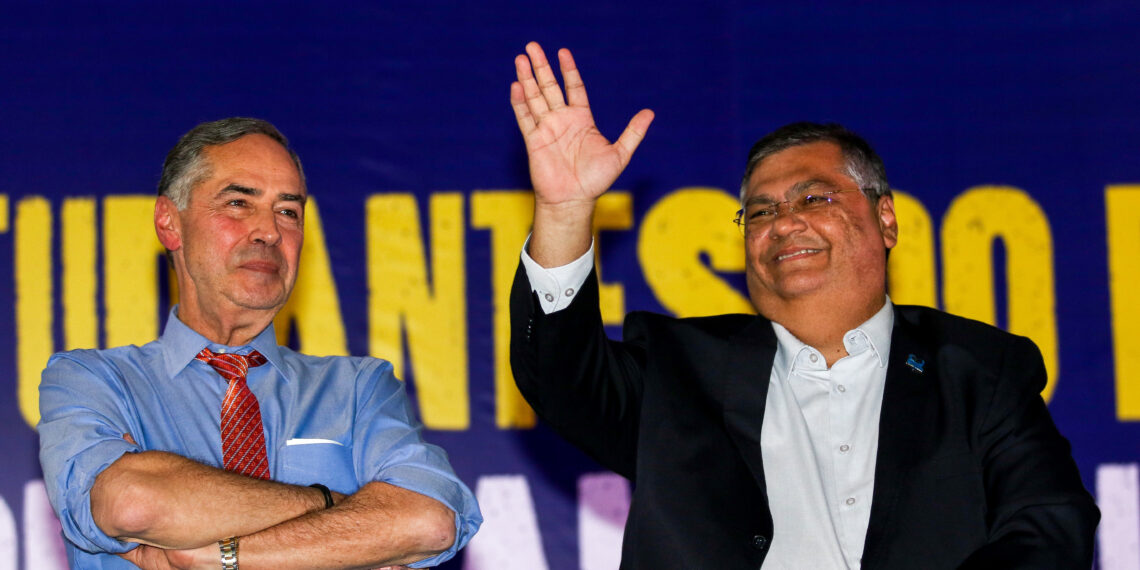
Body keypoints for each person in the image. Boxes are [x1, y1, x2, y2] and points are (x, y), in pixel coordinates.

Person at [507, 42, 1098, 568]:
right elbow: (560, 377)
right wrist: (564, 211)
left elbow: (1051, 527)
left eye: (813, 197)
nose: (784, 222)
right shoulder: (679, 371)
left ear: (884, 218)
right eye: (760, 212)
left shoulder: (978, 371)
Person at [39, 118, 481, 569]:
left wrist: (220, 557)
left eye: (288, 211)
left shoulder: (357, 389)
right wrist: (337, 506)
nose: (269, 231)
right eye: (238, 203)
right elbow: (135, 503)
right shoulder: (90, 380)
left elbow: (427, 522)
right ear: (169, 224)